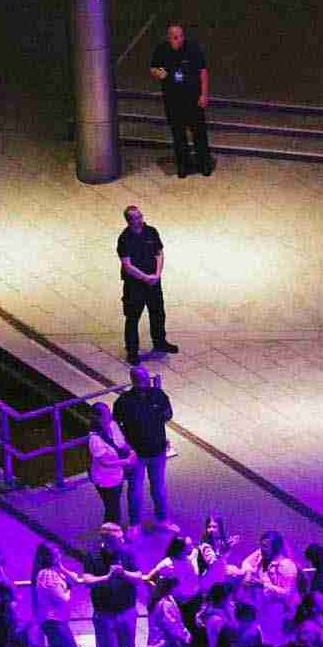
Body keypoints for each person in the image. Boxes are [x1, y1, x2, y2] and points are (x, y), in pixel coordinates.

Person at [113, 364, 174, 535]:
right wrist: (125, 448)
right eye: (142, 379)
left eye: (146, 378)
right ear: (134, 381)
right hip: (136, 454)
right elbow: (116, 426)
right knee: (135, 489)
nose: (146, 382)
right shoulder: (124, 402)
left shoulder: (158, 395)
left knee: (159, 487)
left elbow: (168, 414)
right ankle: (134, 523)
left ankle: (162, 519)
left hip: (157, 450)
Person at [117, 205, 179, 367]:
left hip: (153, 282)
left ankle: (160, 342)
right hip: (134, 286)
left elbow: (159, 253)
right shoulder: (124, 239)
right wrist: (145, 278)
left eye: (140, 216)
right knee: (133, 318)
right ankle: (132, 351)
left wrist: (157, 274)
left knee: (158, 313)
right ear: (129, 221)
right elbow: (127, 265)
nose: (140, 220)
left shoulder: (151, 231)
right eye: (135, 218)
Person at [149, 23, 212, 177]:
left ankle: (204, 164)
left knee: (199, 133)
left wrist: (204, 94)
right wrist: (158, 73)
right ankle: (183, 166)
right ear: (169, 38)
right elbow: (153, 68)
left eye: (182, 36)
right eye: (176, 38)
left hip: (192, 97)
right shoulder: (162, 49)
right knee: (178, 134)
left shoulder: (193, 48)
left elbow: (203, 72)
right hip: (173, 99)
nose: (180, 40)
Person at [87, 403, 138, 528]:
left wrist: (131, 451)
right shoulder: (94, 439)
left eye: (108, 412)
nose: (109, 415)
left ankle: (112, 533)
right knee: (112, 509)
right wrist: (125, 462)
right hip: (105, 479)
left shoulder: (113, 425)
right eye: (105, 414)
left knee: (114, 506)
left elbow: (121, 444)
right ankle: (109, 535)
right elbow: (104, 462)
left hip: (117, 475)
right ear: (98, 418)